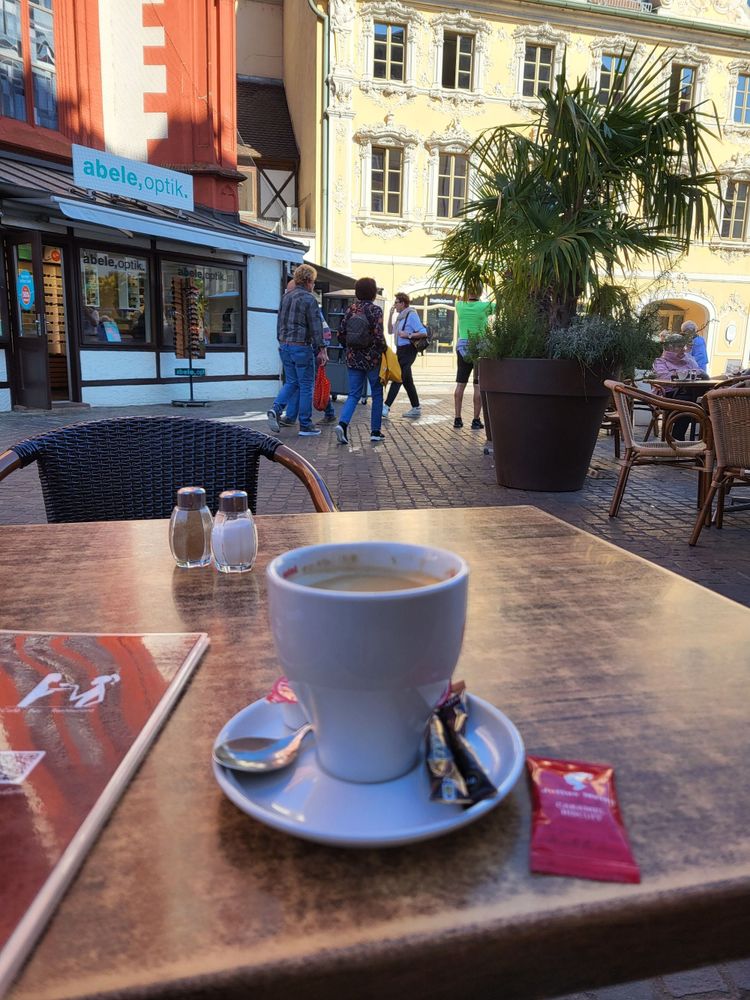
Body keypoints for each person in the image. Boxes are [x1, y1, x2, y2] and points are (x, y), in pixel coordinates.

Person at [267, 264, 327, 437]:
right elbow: (316, 327)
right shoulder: (309, 299)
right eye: (314, 282)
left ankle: (276, 409)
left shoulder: (286, 297)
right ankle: (306, 425)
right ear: (308, 281)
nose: (314, 285)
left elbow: (279, 323)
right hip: (301, 347)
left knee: (291, 382)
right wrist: (322, 349)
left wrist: (281, 342)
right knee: (306, 385)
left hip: (285, 345)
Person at [335, 277, 387, 445]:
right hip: (372, 359)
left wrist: (349, 350)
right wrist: (383, 350)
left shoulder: (351, 309)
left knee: (354, 394)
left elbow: (340, 335)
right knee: (377, 394)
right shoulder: (376, 310)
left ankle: (342, 425)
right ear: (373, 292)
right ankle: (375, 432)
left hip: (353, 358)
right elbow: (379, 337)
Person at [281, 281, 337, 426]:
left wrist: (321, 349)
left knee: (308, 382)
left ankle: (322, 414)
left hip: (310, 346)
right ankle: (293, 417)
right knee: (306, 382)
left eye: (289, 290)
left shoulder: (302, 301)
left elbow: (319, 328)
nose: (288, 293)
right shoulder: (298, 300)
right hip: (304, 346)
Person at [652, 332, 707, 440]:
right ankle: (678, 437)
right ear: (669, 348)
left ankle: (705, 440)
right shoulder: (660, 362)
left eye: (683, 346)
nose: (683, 349)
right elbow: (663, 377)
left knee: (697, 399)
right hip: (667, 395)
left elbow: (700, 372)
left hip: (689, 395)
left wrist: (698, 374)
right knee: (688, 402)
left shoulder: (689, 360)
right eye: (679, 346)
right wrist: (684, 374)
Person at [454, 285, 493, 430]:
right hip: (479, 348)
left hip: (462, 347)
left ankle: (457, 418)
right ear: (480, 291)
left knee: (460, 384)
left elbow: (460, 298)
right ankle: (476, 420)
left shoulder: (459, 306)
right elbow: (500, 305)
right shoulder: (485, 306)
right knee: (477, 385)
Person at [382, 292, 424, 419]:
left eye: (396, 302)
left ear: (403, 303)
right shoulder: (400, 317)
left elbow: (423, 332)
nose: (395, 305)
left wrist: (408, 335)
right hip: (400, 350)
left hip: (409, 350)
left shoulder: (411, 315)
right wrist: (390, 315)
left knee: (398, 377)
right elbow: (390, 330)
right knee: (407, 380)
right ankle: (416, 407)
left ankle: (386, 406)